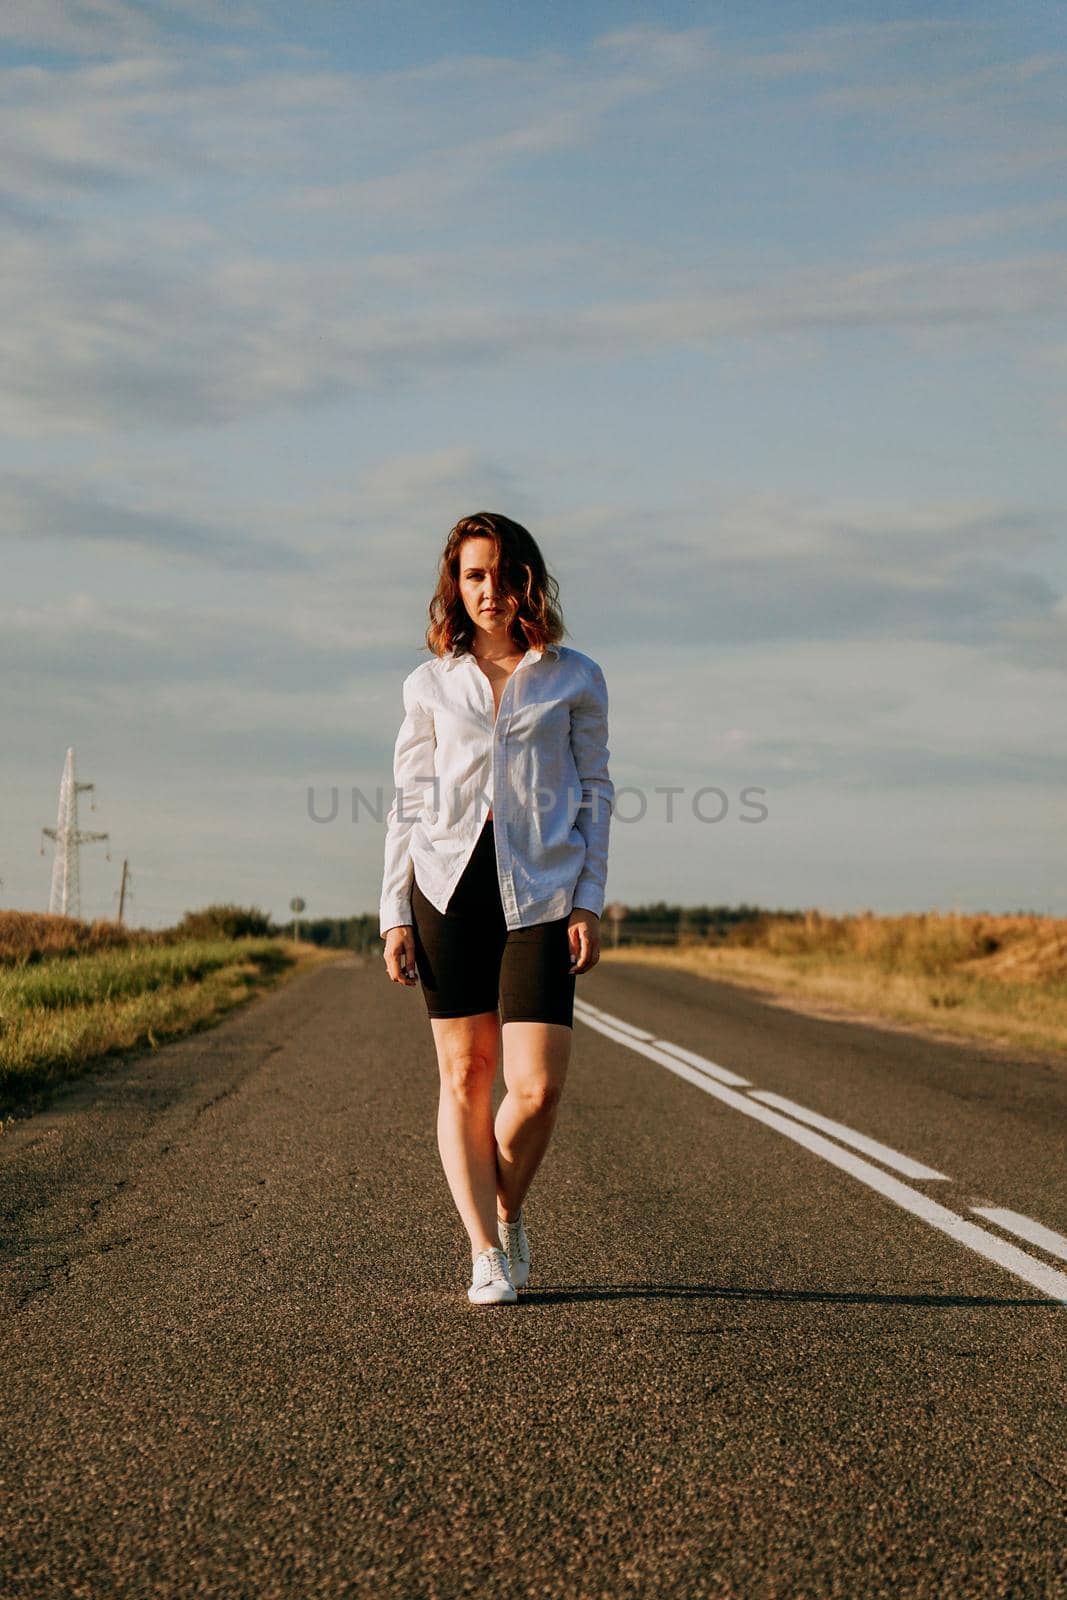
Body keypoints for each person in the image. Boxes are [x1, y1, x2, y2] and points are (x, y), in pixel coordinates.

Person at [379, 512, 614, 1306]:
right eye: (473, 575)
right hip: (445, 886)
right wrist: (393, 913)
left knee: (537, 1087)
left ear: (528, 582)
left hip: (542, 890)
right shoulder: (429, 684)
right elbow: (408, 801)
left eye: (503, 574)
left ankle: (506, 1206)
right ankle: (484, 1249)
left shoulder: (574, 676)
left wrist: (588, 897)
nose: (488, 590)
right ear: (456, 584)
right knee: (465, 1074)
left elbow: (595, 793)